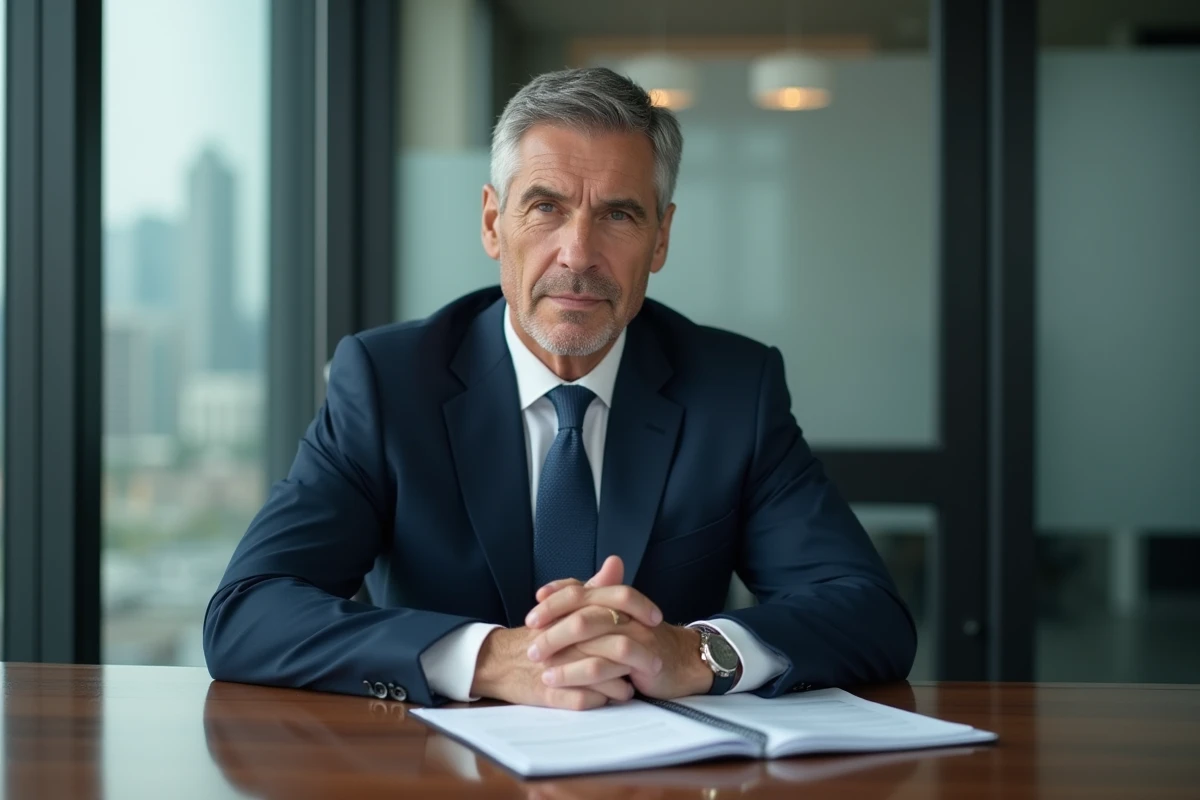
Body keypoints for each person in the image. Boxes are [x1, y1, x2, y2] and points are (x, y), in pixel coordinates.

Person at [203, 67, 916, 710]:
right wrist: (488, 658)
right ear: (493, 223)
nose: (578, 255)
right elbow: (248, 612)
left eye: (618, 215)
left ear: (660, 240)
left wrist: (693, 653)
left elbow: (868, 613)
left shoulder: (734, 389)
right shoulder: (387, 382)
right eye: (545, 207)